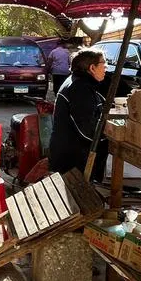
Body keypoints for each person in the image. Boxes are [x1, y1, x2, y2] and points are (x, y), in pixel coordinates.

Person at [48, 48, 109, 182]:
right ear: (92, 68)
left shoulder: (81, 83)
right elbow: (87, 130)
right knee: (78, 197)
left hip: (70, 153)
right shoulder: (80, 88)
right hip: (73, 157)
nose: (106, 67)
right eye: (103, 63)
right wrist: (109, 134)